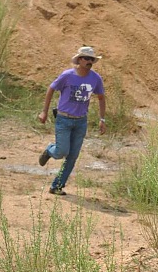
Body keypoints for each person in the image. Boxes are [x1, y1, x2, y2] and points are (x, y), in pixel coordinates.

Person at [37, 46, 106, 196]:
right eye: (87, 58)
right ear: (79, 60)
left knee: (72, 156)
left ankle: (57, 186)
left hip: (81, 122)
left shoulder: (96, 78)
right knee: (61, 151)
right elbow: (51, 89)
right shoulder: (67, 76)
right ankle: (50, 150)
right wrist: (44, 111)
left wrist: (102, 119)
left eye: (92, 59)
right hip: (64, 119)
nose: (89, 62)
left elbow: (101, 97)